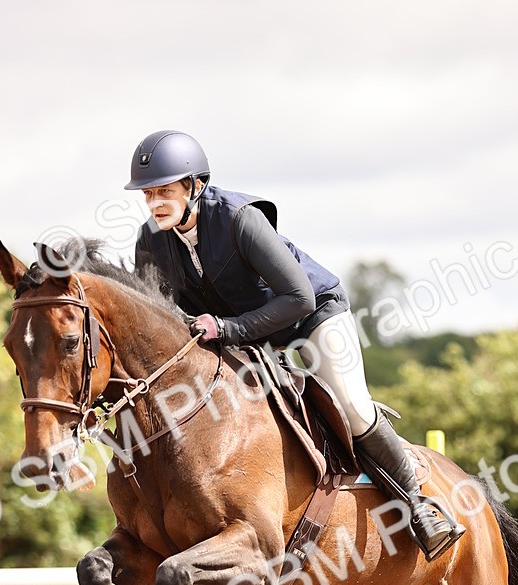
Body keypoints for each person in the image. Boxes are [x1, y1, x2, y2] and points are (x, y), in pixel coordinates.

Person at [125, 129, 464, 560]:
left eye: (165, 191)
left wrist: (227, 329)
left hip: (312, 316)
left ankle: (420, 505)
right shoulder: (150, 241)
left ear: (195, 185)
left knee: (351, 405)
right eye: (149, 193)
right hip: (247, 333)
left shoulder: (238, 219)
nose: (155, 203)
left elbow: (298, 296)